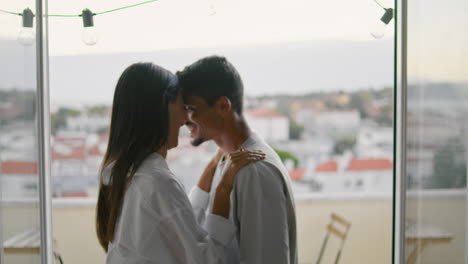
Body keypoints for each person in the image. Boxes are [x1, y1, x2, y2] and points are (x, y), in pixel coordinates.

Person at [95, 62, 265, 263]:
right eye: (182, 107)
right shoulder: (157, 182)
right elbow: (207, 259)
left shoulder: (125, 174)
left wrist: (209, 172)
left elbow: (177, 228)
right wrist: (222, 189)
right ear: (159, 109)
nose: (186, 118)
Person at [177, 56, 297, 264]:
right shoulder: (227, 164)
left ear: (223, 106)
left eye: (191, 109)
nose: (184, 120)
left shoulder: (255, 169)